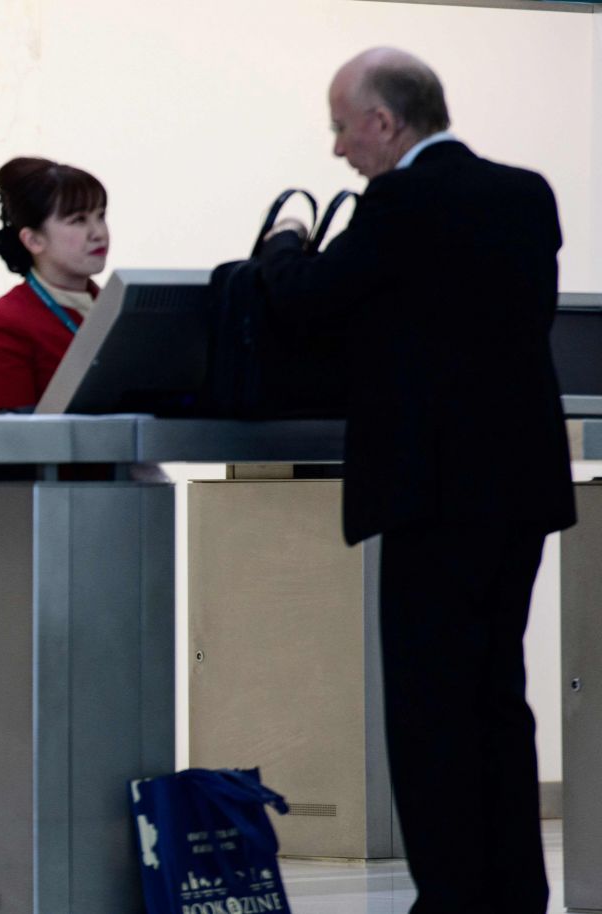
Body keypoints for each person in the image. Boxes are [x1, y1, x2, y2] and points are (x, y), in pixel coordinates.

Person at [258, 48, 574, 913]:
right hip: (520, 489)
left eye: (340, 127)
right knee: (496, 699)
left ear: (384, 123)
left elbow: (312, 300)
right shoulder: (526, 194)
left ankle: (451, 897)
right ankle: (512, 892)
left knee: (431, 708)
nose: (337, 150)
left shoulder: (401, 201)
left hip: (434, 493)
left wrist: (283, 245)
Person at [0, 157, 110, 413]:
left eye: (100, 216)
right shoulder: (2, 326)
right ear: (33, 240)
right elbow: (10, 443)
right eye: (78, 220)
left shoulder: (120, 309)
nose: (98, 232)